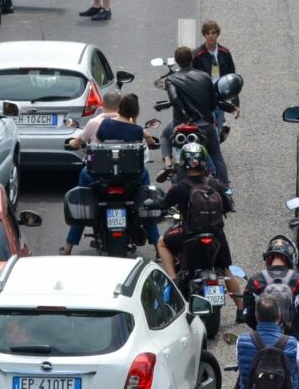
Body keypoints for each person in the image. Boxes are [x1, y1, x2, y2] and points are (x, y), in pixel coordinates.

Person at [62, 94, 160, 255]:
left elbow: (88, 140)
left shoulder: (101, 124)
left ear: (103, 104)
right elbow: (148, 141)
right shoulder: (137, 129)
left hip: (98, 177)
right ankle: (158, 247)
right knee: (146, 200)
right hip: (131, 178)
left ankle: (68, 247)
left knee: (81, 199)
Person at [156, 143, 243, 309]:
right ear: (204, 161)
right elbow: (227, 206)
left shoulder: (179, 188)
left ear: (183, 163)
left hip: (188, 234)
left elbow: (162, 205)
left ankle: (173, 279)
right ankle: (240, 310)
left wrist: (154, 204)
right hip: (217, 235)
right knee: (225, 269)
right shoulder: (215, 184)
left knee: (161, 242)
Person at [239, 236, 299, 384]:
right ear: (290, 258)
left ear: (268, 258)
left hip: (258, 339)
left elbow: (247, 316)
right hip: (290, 335)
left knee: (243, 375)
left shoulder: (255, 280)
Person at [160, 45, 233, 184]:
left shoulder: (171, 80)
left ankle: (168, 163)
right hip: (205, 125)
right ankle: (225, 190)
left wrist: (185, 119)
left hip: (181, 127)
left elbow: (174, 99)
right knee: (216, 156)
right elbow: (213, 103)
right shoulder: (205, 77)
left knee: (164, 135)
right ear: (192, 58)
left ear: (176, 61)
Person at [236, 295, 299, 389]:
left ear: (256, 317)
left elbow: (241, 365)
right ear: (279, 317)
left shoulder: (241, 341)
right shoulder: (292, 343)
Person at [193, 20, 241, 140]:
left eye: (213, 33)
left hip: (221, 94)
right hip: (204, 96)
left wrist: (235, 104)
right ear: (204, 35)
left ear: (217, 34)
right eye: (208, 33)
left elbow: (232, 78)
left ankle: (218, 136)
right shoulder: (197, 55)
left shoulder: (225, 53)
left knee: (218, 126)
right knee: (208, 126)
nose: (210, 36)